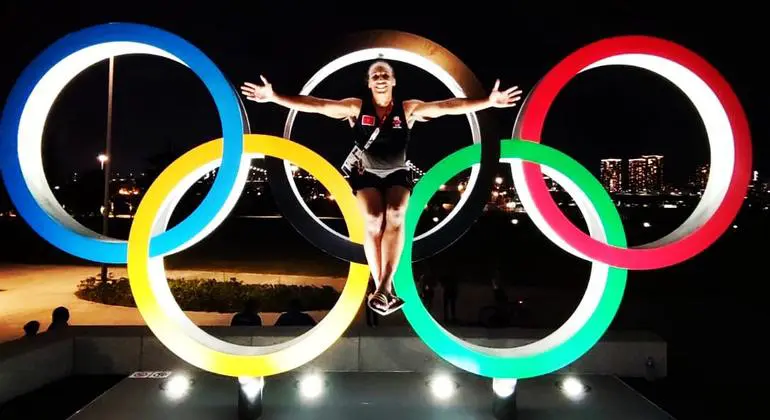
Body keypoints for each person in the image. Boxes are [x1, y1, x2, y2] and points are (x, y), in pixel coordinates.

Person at [241, 60, 522, 315]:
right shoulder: (355, 106)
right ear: (368, 82)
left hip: (397, 172)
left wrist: (488, 102)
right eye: (375, 74)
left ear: (394, 81)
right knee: (374, 220)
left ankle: (383, 288)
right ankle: (385, 289)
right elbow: (318, 104)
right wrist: (274, 97)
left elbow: (447, 107)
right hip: (366, 174)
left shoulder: (408, 108)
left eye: (385, 74)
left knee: (397, 212)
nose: (380, 77)